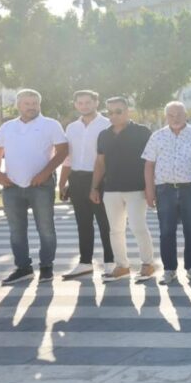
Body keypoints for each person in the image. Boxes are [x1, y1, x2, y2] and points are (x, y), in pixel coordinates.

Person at [0, 89, 69, 285]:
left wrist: (45, 173)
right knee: (16, 230)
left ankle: (46, 268)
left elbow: (63, 151)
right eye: (27, 103)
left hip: (41, 186)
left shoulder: (51, 125)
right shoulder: (7, 127)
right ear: (18, 105)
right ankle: (23, 268)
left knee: (46, 229)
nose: (32, 106)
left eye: (35, 103)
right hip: (12, 186)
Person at [142, 101, 191, 285]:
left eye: (179, 114)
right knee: (166, 231)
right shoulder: (157, 136)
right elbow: (149, 164)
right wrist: (149, 190)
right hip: (165, 189)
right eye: (171, 115)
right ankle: (169, 270)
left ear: (186, 114)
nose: (175, 118)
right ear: (166, 117)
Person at [91, 96, 156, 282]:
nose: (113, 115)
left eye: (118, 111)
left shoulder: (142, 132)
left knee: (138, 227)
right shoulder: (103, 135)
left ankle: (147, 263)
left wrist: (151, 188)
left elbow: (152, 162)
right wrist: (94, 187)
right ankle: (122, 265)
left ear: (127, 111)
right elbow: (100, 163)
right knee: (115, 230)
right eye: (109, 112)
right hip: (111, 189)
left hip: (137, 189)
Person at [59, 89, 114, 279]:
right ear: (75, 105)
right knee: (83, 223)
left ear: (96, 102)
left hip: (101, 179)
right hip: (77, 179)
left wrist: (99, 184)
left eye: (88, 102)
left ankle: (110, 262)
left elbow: (110, 157)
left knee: (105, 223)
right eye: (80, 103)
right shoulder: (72, 127)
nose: (84, 106)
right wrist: (63, 182)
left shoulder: (107, 125)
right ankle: (84, 263)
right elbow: (69, 157)